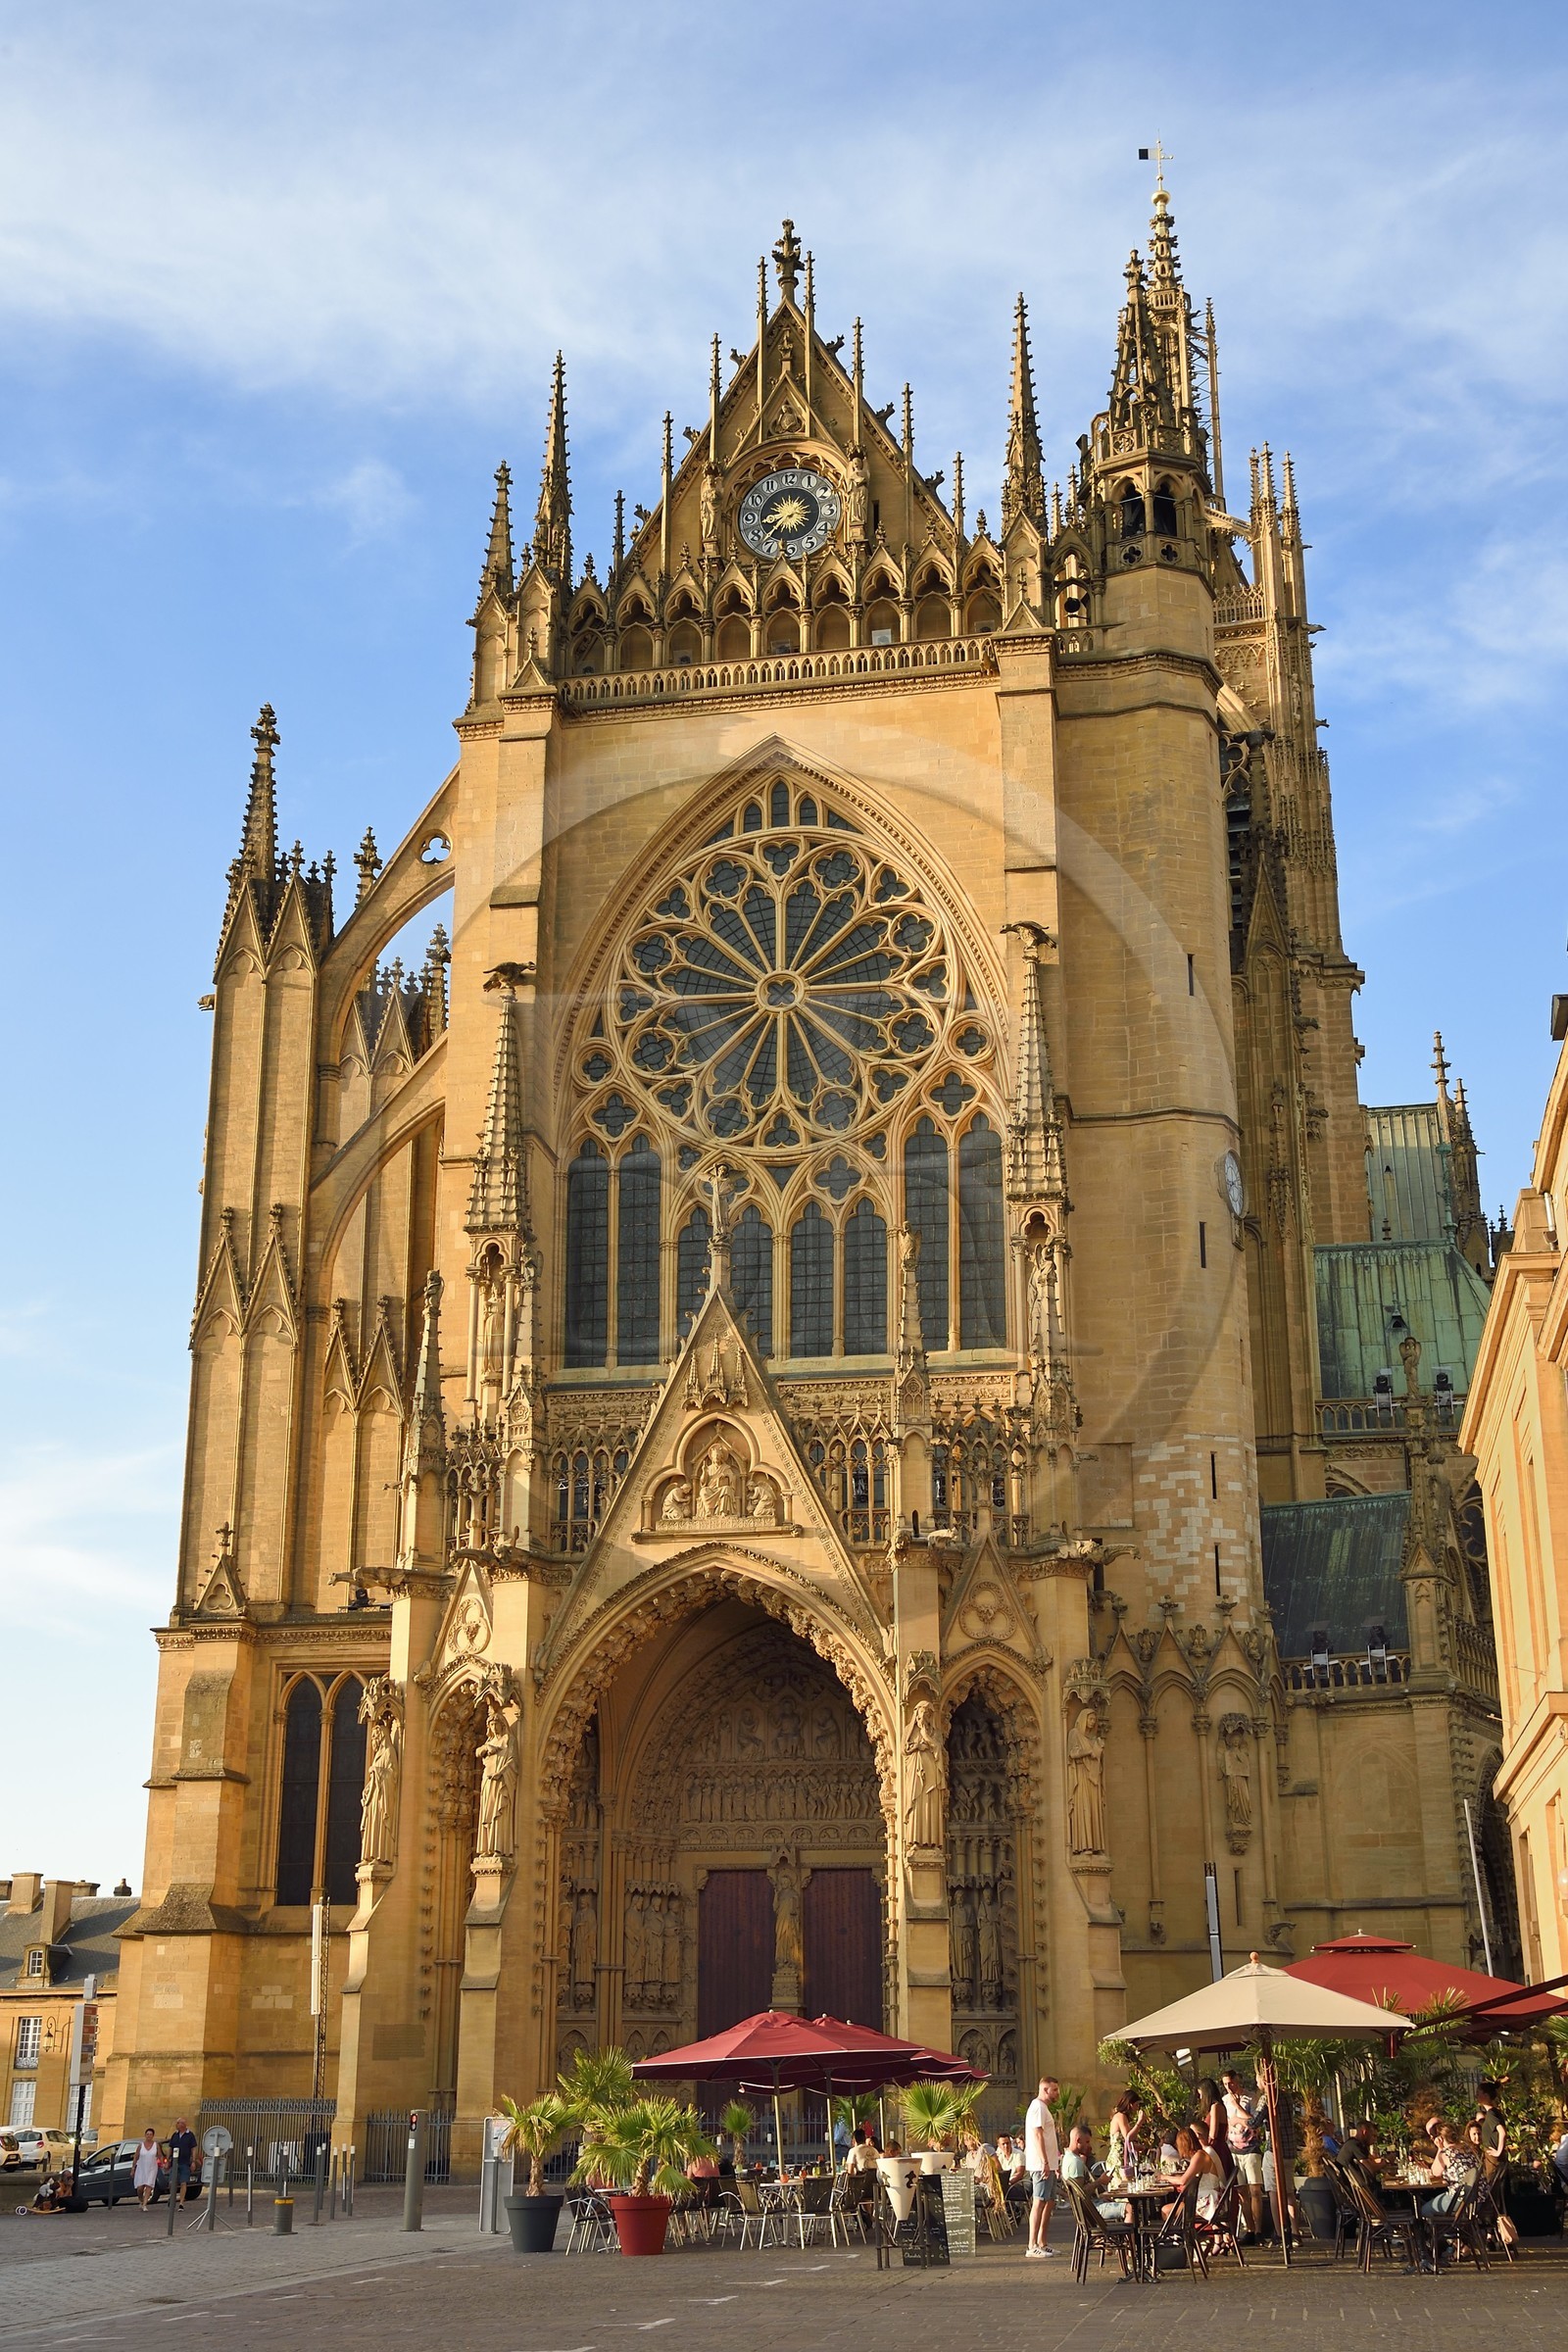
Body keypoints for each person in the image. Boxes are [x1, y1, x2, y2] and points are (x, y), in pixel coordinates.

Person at [1221, 2069, 1263, 2238]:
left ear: (1238, 2081)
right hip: (1233, 2150)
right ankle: (1250, 2230)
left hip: (1251, 2148)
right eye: (1225, 2084)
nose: (1229, 2087)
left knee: (1255, 2191)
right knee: (1242, 2192)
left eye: (1231, 2082)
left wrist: (1238, 2109)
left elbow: (1253, 2122)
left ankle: (1259, 2229)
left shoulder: (1251, 2098)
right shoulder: (1224, 2101)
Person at [1023, 2074, 1061, 2259]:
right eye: (1054, 2090)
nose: (1057, 2093)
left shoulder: (1043, 2108)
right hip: (1040, 2165)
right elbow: (1038, 2135)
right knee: (1039, 2202)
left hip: (1049, 2164)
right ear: (1045, 2090)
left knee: (1049, 2201)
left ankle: (1042, 2242)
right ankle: (1032, 2245)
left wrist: (1055, 2162)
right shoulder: (1037, 2107)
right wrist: (1045, 2162)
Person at [1060, 2124, 1128, 2225]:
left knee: (1120, 2203)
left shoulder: (1067, 2158)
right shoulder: (1075, 2162)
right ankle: (1131, 2240)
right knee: (1129, 2209)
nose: (1089, 2146)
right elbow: (1080, 2193)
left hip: (1087, 2208)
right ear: (1078, 2140)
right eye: (1087, 2142)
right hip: (1091, 2209)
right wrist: (1100, 2181)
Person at [1163, 2126, 1225, 2223]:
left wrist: (1163, 2177)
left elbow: (1183, 2180)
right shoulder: (1199, 2155)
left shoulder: (1199, 2156)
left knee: (1166, 2210)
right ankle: (1179, 2235)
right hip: (1205, 2198)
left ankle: (1177, 2236)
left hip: (1209, 2202)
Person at [1196, 2078, 1233, 2180]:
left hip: (1216, 2148)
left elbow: (1213, 2134)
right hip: (1220, 2147)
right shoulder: (1219, 2106)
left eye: (1201, 2094)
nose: (1200, 2097)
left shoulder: (1215, 2107)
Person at [1106, 2090, 1145, 2182]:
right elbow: (1128, 2137)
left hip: (1123, 2158)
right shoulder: (1120, 2116)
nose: (1137, 2108)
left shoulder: (1123, 2117)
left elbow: (1125, 2142)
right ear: (1130, 2104)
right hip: (1118, 2160)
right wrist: (1139, 2122)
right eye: (1136, 2105)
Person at [169, 2117, 198, 2204]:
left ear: (183, 2124)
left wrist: (193, 2161)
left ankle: (181, 2202)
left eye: (178, 2123)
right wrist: (167, 2160)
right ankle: (172, 2196)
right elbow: (170, 2147)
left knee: (183, 2183)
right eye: (177, 2123)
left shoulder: (190, 2135)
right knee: (171, 2182)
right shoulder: (175, 2135)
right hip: (174, 2162)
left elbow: (193, 2148)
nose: (176, 2125)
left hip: (185, 2163)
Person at [132, 2128, 161, 2211]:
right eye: (147, 2134)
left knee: (149, 2185)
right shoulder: (140, 2146)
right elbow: (136, 2157)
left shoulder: (156, 2145)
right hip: (141, 2168)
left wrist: (163, 2163)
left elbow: (160, 2155)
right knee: (140, 2188)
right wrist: (133, 2168)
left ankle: (145, 2204)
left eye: (150, 2134)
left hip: (152, 2168)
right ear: (145, 2135)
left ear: (153, 2136)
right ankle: (141, 2200)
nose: (149, 2136)